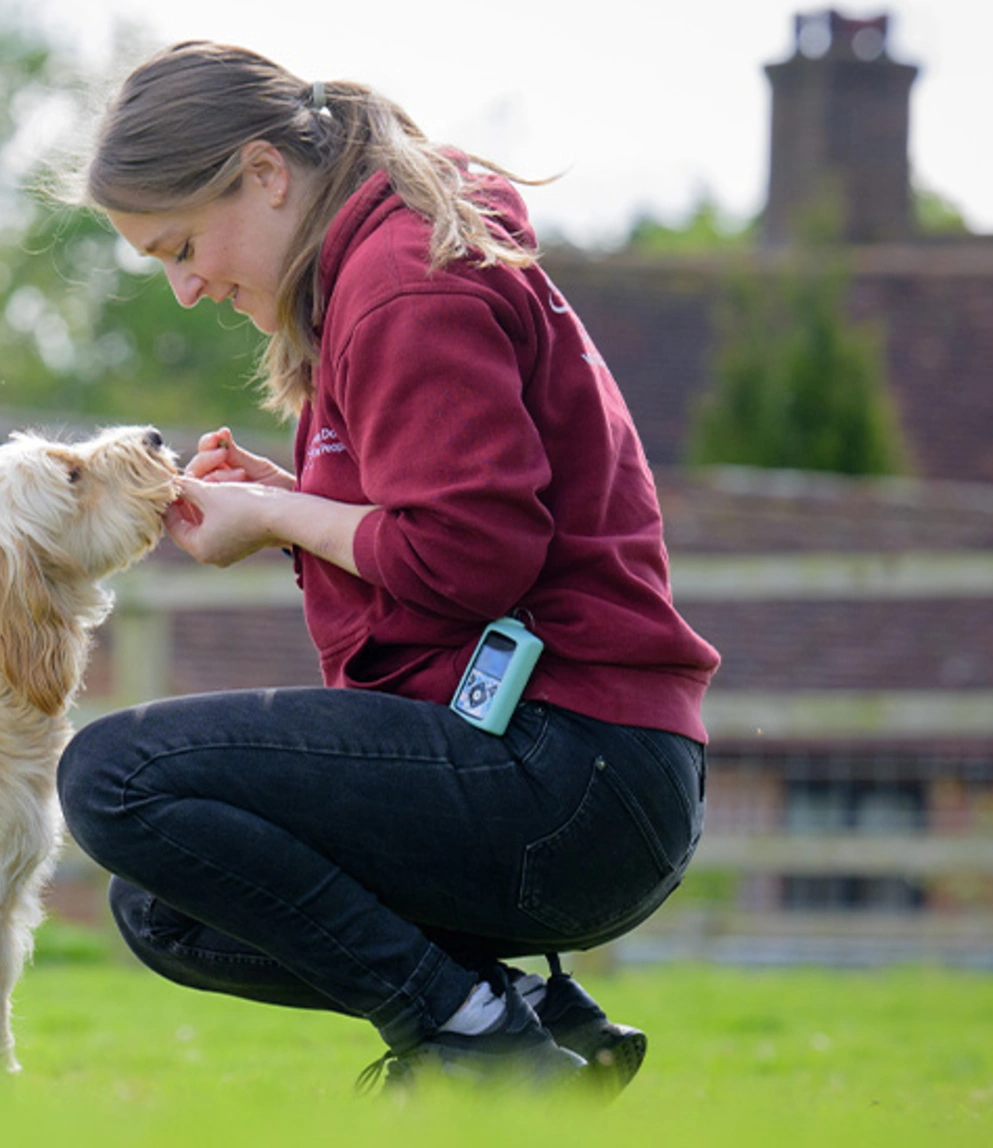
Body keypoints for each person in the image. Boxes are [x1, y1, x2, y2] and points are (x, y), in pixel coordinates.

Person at [54, 41, 721, 1097]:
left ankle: (477, 1037)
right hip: (584, 773)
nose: (185, 288)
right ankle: (538, 1023)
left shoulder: (401, 282)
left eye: (181, 245)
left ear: (265, 173)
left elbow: (470, 556)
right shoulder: (386, 267)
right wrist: (294, 503)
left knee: (111, 774)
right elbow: (444, 524)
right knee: (163, 904)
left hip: (572, 775)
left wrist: (279, 513)